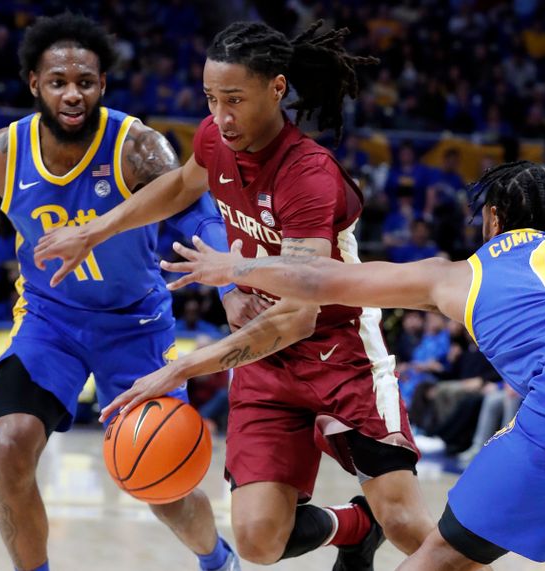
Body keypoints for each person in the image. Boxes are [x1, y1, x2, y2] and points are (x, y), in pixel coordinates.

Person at [37, 19, 436, 570]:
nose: (220, 117)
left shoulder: (309, 175)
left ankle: (359, 478)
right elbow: (179, 186)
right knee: (256, 541)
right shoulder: (214, 139)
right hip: (263, 353)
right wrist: (96, 229)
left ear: (276, 89)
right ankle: (354, 527)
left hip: (337, 349)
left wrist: (185, 364)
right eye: (210, 98)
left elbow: (299, 314)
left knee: (412, 528)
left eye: (234, 100)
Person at [156, 160, 545, 570]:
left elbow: (322, 279)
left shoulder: (458, 274)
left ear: (493, 219)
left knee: (440, 559)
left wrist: (235, 266)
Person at [0, 13, 245, 571]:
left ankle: (217, 560)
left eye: (85, 82)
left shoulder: (138, 147)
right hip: (50, 322)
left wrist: (230, 279)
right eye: (58, 82)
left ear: (102, 85)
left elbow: (194, 213)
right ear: (35, 83)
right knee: (9, 445)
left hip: (134, 326)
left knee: (161, 484)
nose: (72, 93)